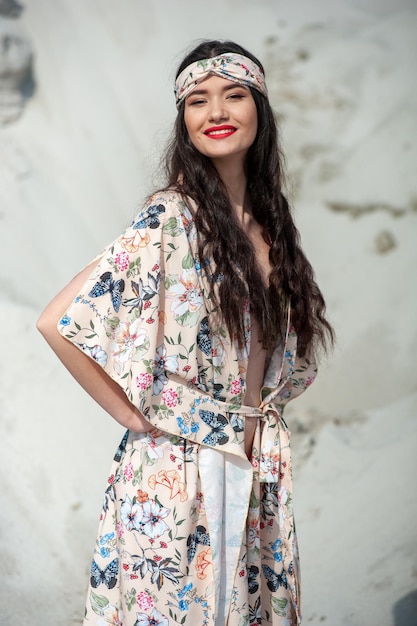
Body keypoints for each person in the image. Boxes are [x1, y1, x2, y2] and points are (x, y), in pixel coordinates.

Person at [37, 39, 333, 626]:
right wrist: (132, 417)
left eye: (234, 95)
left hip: (252, 463)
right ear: (185, 122)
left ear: (261, 110)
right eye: (198, 101)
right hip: (179, 469)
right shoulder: (173, 216)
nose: (216, 112)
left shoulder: (269, 224)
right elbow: (57, 321)